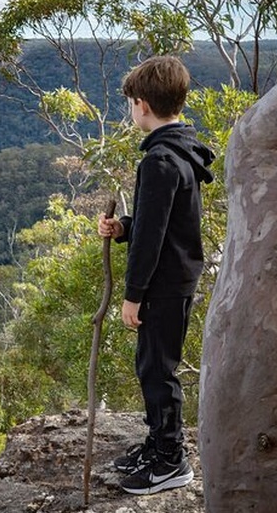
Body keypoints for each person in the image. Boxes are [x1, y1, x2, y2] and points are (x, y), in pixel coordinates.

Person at [97, 55, 214, 495]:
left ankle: (171, 460)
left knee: (156, 369)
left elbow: (152, 239)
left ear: (141, 104)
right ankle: (156, 443)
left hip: (164, 283)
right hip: (176, 277)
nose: (130, 110)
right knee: (153, 364)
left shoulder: (160, 160)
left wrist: (133, 295)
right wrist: (123, 227)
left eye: (130, 103)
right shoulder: (180, 150)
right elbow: (158, 221)